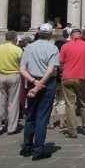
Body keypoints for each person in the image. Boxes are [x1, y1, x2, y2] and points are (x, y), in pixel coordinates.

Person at [20, 23, 60, 160]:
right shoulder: (53, 48)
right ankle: (38, 150)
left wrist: (34, 82)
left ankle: (26, 147)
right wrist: (40, 84)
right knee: (42, 116)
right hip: (47, 83)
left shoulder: (29, 47)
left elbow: (22, 69)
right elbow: (51, 70)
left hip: (31, 82)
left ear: (38, 33)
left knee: (30, 115)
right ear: (51, 34)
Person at [59, 28, 85, 137]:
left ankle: (72, 130)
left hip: (67, 77)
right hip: (81, 77)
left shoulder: (65, 46)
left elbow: (61, 62)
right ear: (80, 35)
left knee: (69, 104)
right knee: (83, 102)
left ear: (71, 36)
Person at [0, 31, 23, 135]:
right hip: (14, 75)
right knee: (13, 102)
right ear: (15, 38)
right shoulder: (18, 50)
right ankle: (11, 128)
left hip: (0, 75)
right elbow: (22, 63)